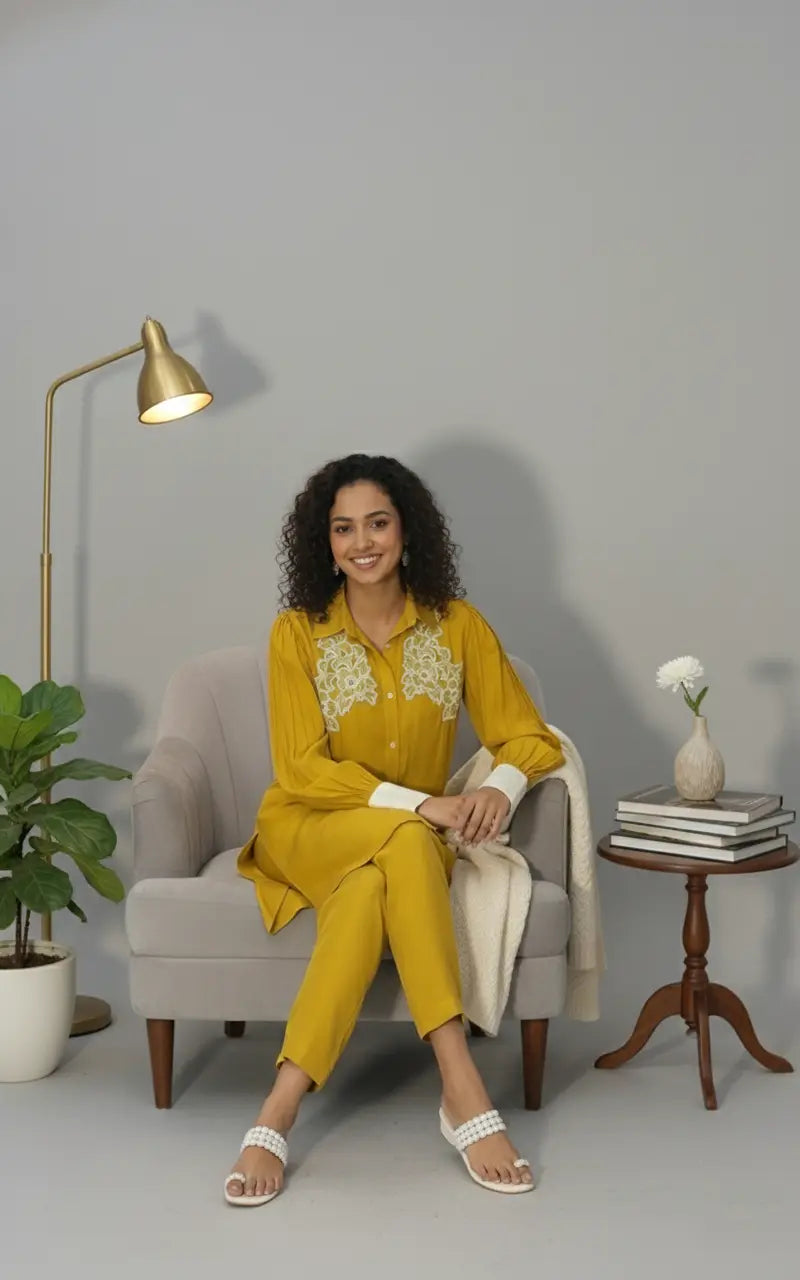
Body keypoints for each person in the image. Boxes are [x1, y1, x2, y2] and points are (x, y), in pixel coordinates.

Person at [228, 454, 564, 1206]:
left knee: (380, 880)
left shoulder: (459, 626)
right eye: (342, 528)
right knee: (412, 837)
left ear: (406, 529)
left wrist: (502, 791)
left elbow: (530, 739)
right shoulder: (297, 634)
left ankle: (276, 1112)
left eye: (376, 522)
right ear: (325, 543)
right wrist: (423, 805)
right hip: (307, 828)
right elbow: (302, 772)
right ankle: (461, 1084)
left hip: (395, 847)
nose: (361, 542)